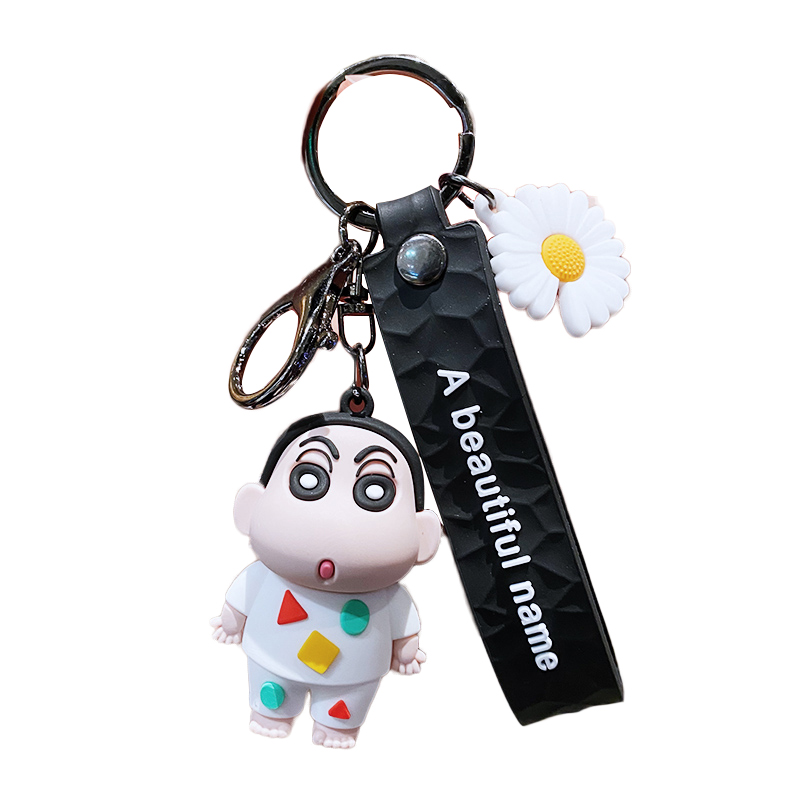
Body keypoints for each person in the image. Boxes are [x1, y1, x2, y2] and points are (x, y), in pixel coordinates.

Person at [211, 411, 443, 749]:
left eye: (375, 491)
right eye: (308, 479)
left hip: (353, 673)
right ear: (250, 507)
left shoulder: (388, 596)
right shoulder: (266, 576)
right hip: (275, 657)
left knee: (345, 703)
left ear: (424, 536)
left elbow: (404, 625)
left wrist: (405, 650)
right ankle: (270, 712)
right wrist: (232, 621)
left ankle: (337, 725)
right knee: (271, 690)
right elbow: (240, 600)